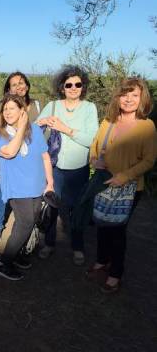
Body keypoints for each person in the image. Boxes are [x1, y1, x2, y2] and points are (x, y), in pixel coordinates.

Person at [84, 78, 156, 293]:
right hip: (104, 183)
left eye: (135, 95)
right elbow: (95, 147)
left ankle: (115, 273)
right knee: (101, 224)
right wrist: (94, 160)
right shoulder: (108, 121)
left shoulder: (147, 126)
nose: (129, 99)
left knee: (117, 230)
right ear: (118, 97)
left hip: (129, 188)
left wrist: (125, 176)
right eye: (125, 94)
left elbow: (149, 160)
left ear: (142, 99)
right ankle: (101, 260)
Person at [36, 66, 99, 265]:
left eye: (77, 84)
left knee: (76, 209)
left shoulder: (89, 108)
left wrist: (66, 129)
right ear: (62, 87)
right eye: (69, 84)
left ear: (83, 87)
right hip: (53, 166)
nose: (73, 88)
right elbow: (35, 129)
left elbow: (91, 139)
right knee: (52, 207)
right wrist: (42, 121)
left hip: (78, 169)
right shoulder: (53, 105)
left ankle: (77, 247)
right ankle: (49, 243)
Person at [0, 94, 54, 280]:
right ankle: (4, 262)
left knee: (30, 220)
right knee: (25, 222)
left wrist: (50, 183)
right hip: (17, 186)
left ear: (21, 110)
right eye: (5, 109)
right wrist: (21, 127)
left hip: (37, 185)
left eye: (12, 108)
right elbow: (10, 152)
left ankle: (17, 254)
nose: (8, 112)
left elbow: (45, 157)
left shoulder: (35, 130)